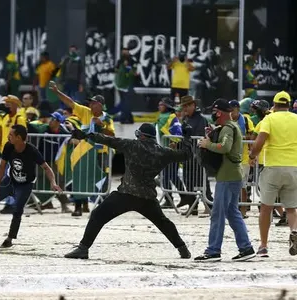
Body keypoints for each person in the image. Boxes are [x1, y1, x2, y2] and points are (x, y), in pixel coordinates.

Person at [64, 122, 193, 259]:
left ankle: (83, 248)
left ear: (141, 135)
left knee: (97, 215)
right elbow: (185, 155)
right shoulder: (163, 152)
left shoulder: (132, 145)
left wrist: (85, 135)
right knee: (164, 223)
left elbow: (108, 140)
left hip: (126, 194)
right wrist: (186, 138)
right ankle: (182, 249)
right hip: (147, 197)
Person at [0, 125, 62, 248]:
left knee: (17, 210)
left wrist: (53, 183)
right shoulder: (8, 146)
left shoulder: (32, 151)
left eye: (10, 135)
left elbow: (46, 168)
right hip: (10, 180)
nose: (8, 137)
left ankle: (9, 239)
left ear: (19, 138)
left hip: (25, 185)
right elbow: (1, 166)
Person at [195, 99, 255, 262]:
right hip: (232, 175)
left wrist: (208, 145)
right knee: (232, 212)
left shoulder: (228, 128)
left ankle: (213, 250)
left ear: (219, 112)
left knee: (218, 213)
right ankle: (246, 248)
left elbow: (225, 147)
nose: (212, 115)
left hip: (227, 177)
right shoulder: (229, 127)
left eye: (214, 112)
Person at [49, 81, 115, 217]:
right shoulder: (85, 112)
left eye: (93, 103)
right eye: (90, 103)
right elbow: (70, 103)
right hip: (84, 152)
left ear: (100, 105)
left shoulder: (107, 118)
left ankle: (102, 207)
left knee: (101, 180)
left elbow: (112, 135)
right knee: (80, 177)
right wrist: (57, 92)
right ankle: (79, 206)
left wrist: (101, 125)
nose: (90, 105)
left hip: (101, 153)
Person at [249, 91, 297, 257]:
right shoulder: (296, 119)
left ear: (274, 105)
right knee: (291, 208)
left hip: (273, 167)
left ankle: (263, 246)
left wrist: (252, 156)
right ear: (289, 105)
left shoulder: (269, 119)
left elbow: (259, 141)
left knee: (266, 208)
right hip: (293, 167)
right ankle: (294, 230)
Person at [0, 95, 27, 214]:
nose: (6, 105)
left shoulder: (20, 118)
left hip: (15, 153)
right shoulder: (5, 117)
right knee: (6, 179)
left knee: (12, 179)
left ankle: (12, 204)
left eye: (9, 103)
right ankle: (9, 202)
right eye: (5, 103)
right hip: (5, 153)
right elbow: (0, 135)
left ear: (15, 105)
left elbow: (23, 137)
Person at [229, 100, 254, 218]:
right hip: (230, 157)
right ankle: (232, 208)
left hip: (243, 157)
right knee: (230, 183)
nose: (231, 112)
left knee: (242, 185)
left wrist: (252, 155)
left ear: (238, 109)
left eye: (232, 110)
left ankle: (243, 210)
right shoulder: (227, 120)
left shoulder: (246, 120)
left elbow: (252, 137)